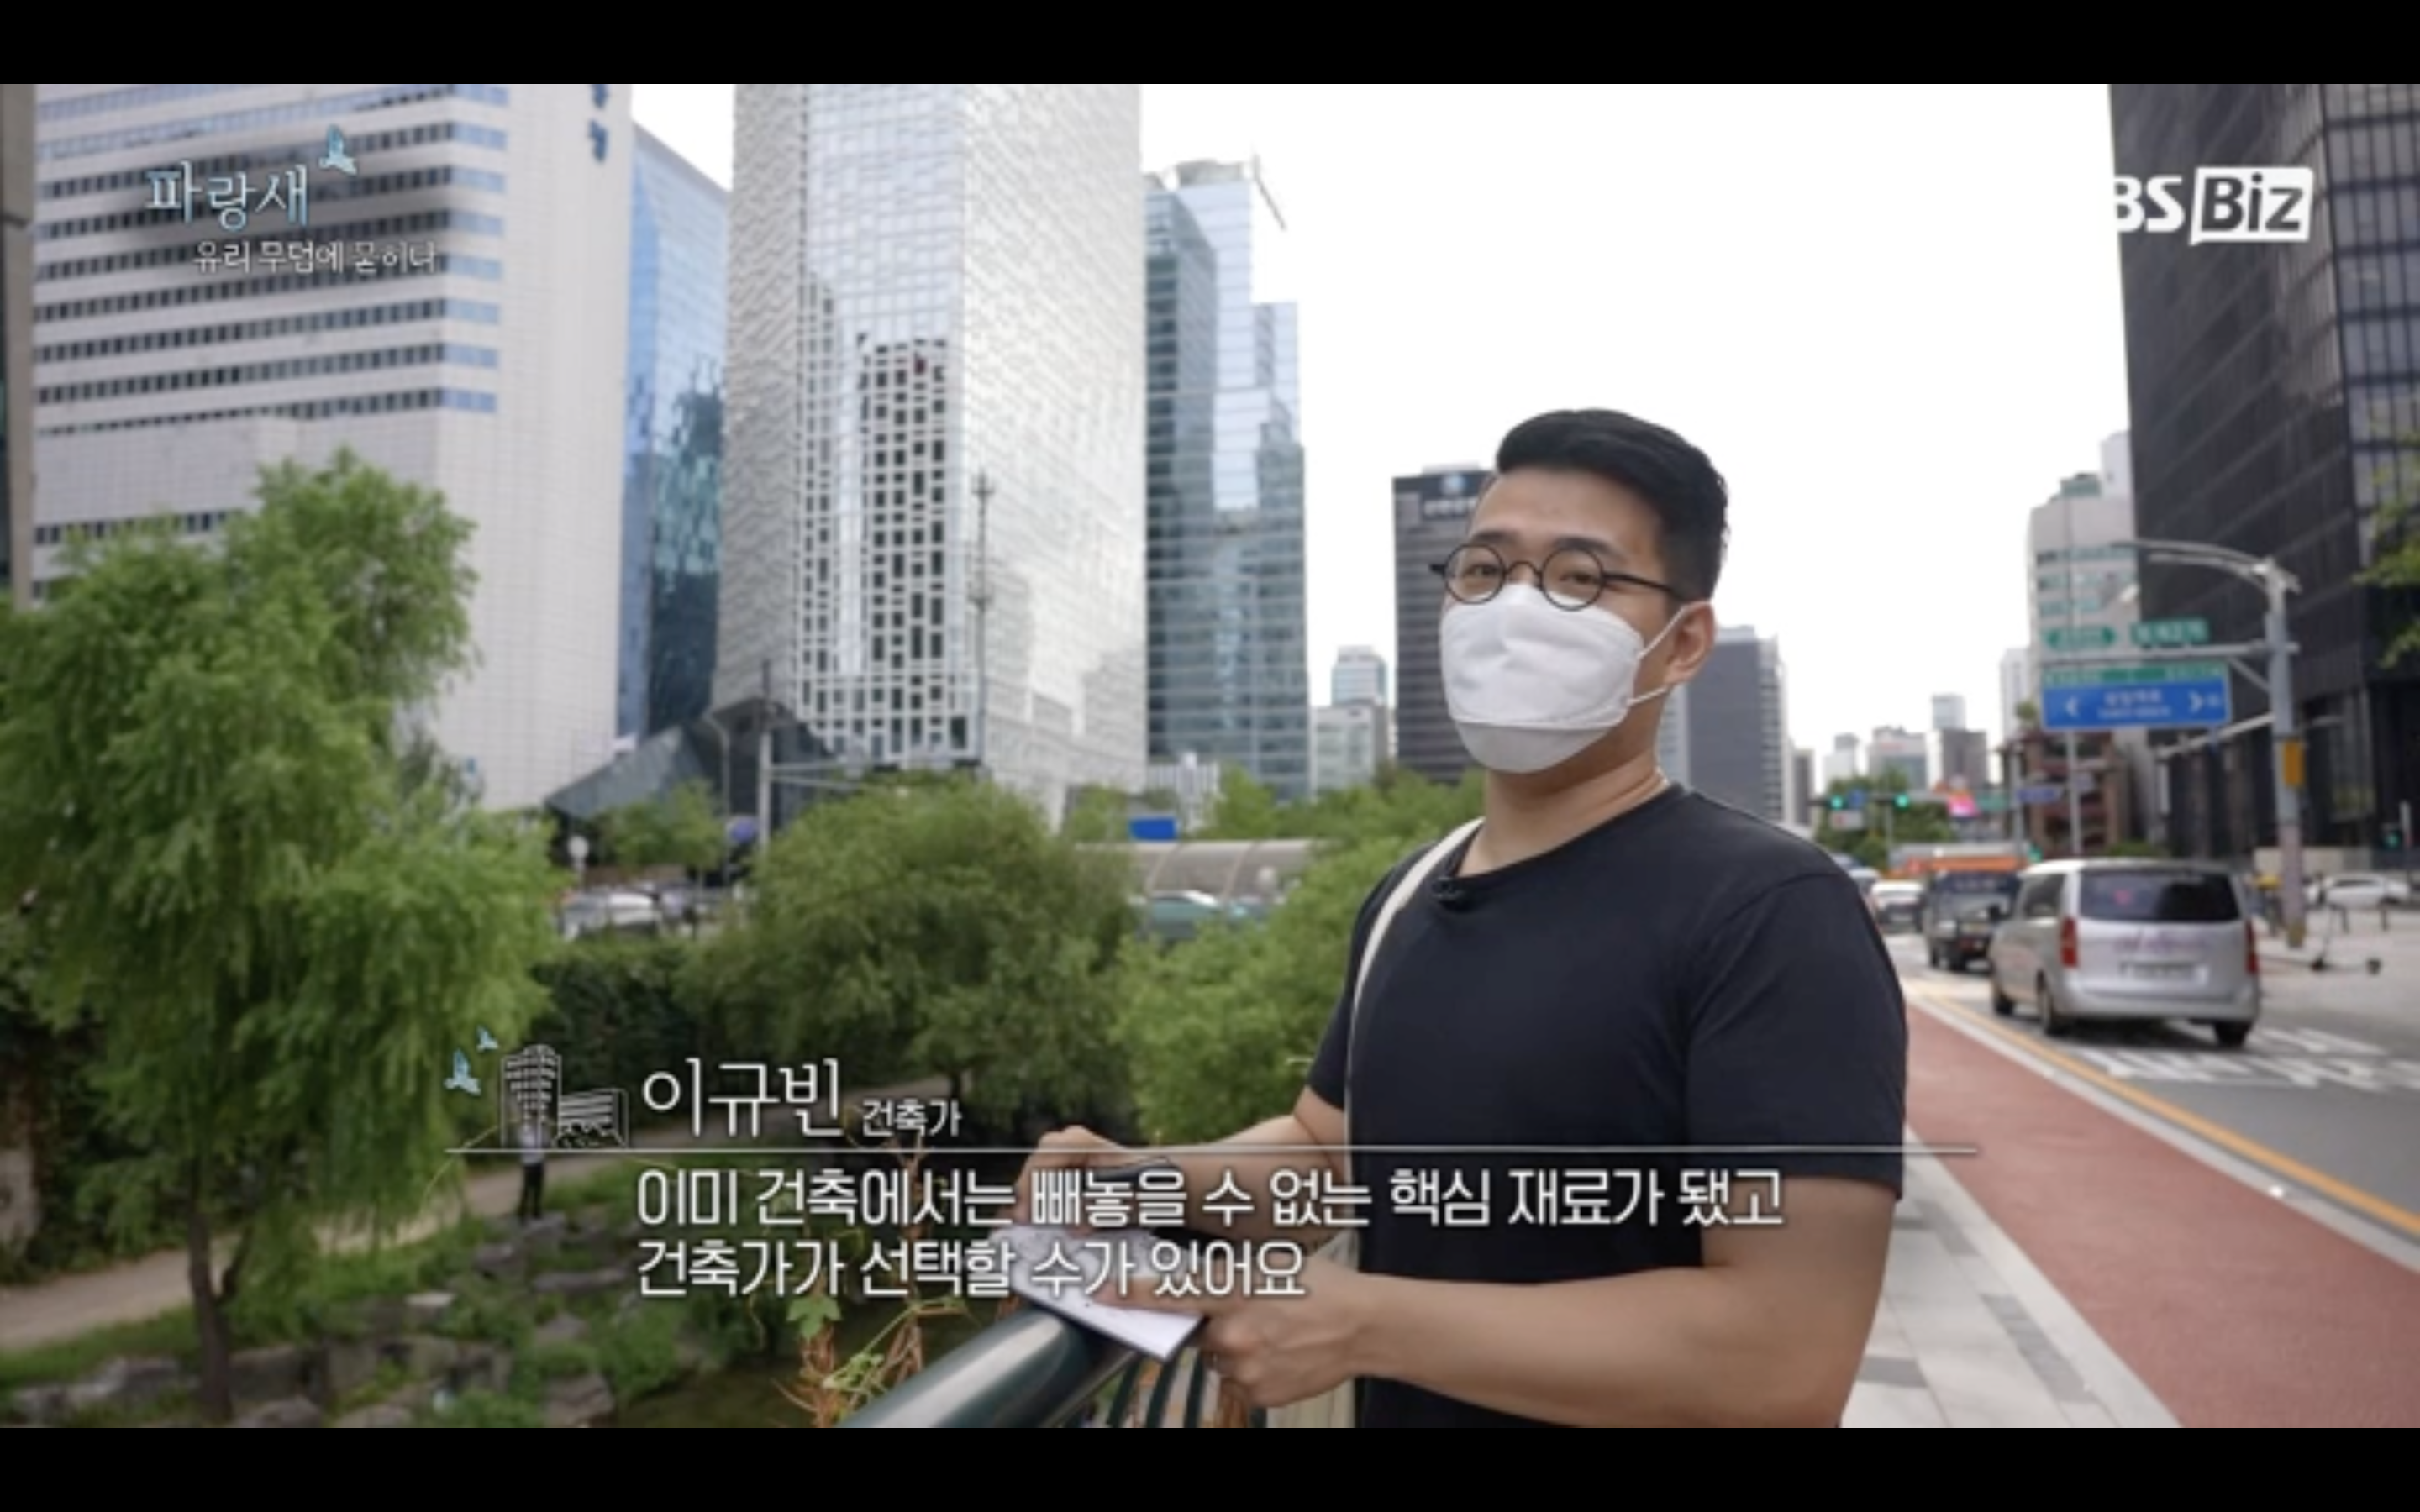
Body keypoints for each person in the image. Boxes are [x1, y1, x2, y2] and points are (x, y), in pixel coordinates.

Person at [1014, 408, 1907, 1428]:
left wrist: (1366, 1324)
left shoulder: (1770, 913)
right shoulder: (1410, 890)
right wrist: (1145, 1183)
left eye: (1579, 578)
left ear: (1683, 643)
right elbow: (1329, 1154)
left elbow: (1787, 1356)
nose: (1515, 608)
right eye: (1484, 570)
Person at [517, 1112, 547, 1225]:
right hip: (528, 1163)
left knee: (539, 1188)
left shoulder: (540, 1131)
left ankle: (536, 1211)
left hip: (539, 1161)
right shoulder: (524, 1132)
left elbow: (545, 1142)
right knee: (527, 1189)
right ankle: (522, 1212)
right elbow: (526, 1146)